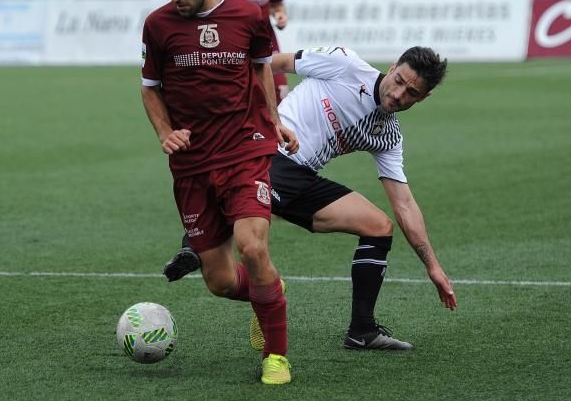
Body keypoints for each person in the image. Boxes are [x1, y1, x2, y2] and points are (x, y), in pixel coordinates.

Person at [163, 45, 458, 351]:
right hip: (264, 151)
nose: (399, 94)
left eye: (411, 93)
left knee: (378, 227)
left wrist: (433, 267)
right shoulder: (344, 64)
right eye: (399, 80)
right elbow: (268, 61)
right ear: (393, 65)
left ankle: (362, 331)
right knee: (250, 217)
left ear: (424, 98)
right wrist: (263, 109)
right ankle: (201, 242)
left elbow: (405, 204)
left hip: (300, 177)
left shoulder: (388, 136)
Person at [141, 0, 299, 384]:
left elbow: (260, 73)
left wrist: (274, 120)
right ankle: (268, 291)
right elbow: (150, 90)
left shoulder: (250, 16)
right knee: (221, 281)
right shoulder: (158, 25)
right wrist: (165, 132)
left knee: (253, 247)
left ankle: (277, 357)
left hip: (244, 151)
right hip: (191, 165)